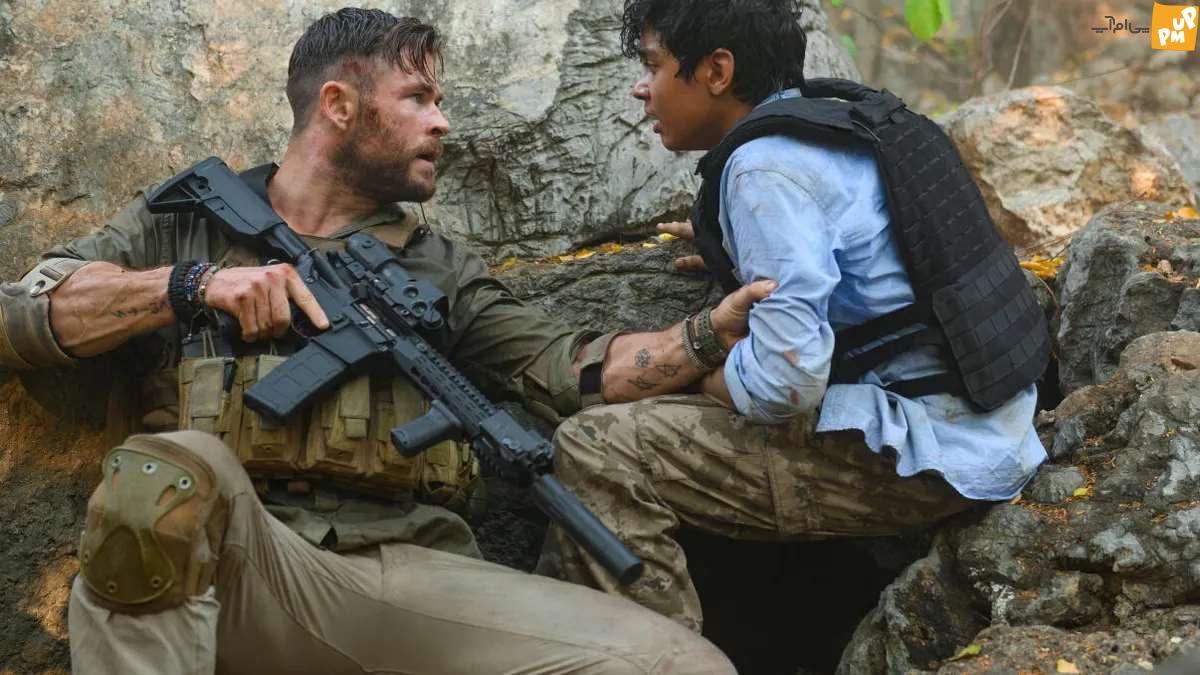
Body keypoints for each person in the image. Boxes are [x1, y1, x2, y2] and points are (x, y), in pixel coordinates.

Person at [0, 8, 751, 673]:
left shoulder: (436, 267)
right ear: (338, 105)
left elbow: (572, 369)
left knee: (674, 661)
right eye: (418, 98)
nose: (443, 123)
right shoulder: (184, 224)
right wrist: (191, 285)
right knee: (161, 477)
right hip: (236, 564)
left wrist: (709, 331)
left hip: (407, 579)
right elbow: (21, 316)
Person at [535, 0, 1049, 634]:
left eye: (653, 65)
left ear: (716, 71)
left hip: (929, 459)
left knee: (596, 448)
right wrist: (734, 246)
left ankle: (650, 659)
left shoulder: (763, 169)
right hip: (988, 418)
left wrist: (703, 376)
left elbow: (787, 383)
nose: (642, 89)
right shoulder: (835, 123)